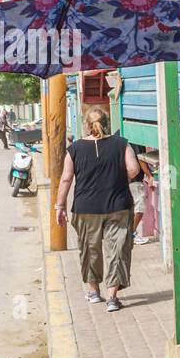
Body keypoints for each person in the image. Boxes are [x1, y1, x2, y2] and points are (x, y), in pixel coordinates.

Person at [55, 106, 140, 313]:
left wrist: (60, 205)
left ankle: (94, 292)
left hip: (86, 208)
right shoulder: (122, 144)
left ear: (86, 124)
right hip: (117, 205)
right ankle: (112, 297)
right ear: (107, 123)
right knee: (117, 249)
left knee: (90, 249)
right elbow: (134, 169)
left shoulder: (74, 149)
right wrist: (116, 181)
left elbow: (66, 178)